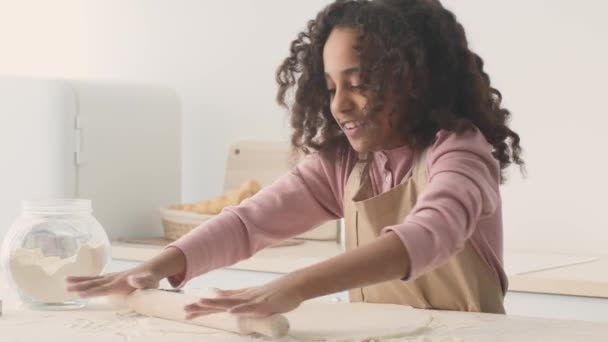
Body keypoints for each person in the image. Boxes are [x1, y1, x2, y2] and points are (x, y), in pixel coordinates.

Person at [66, 0, 524, 318]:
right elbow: (249, 223)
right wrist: (157, 266)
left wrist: (294, 287)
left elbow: (426, 236)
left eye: (358, 83)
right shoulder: (345, 163)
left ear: (413, 79)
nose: (339, 105)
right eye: (330, 88)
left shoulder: (461, 153)